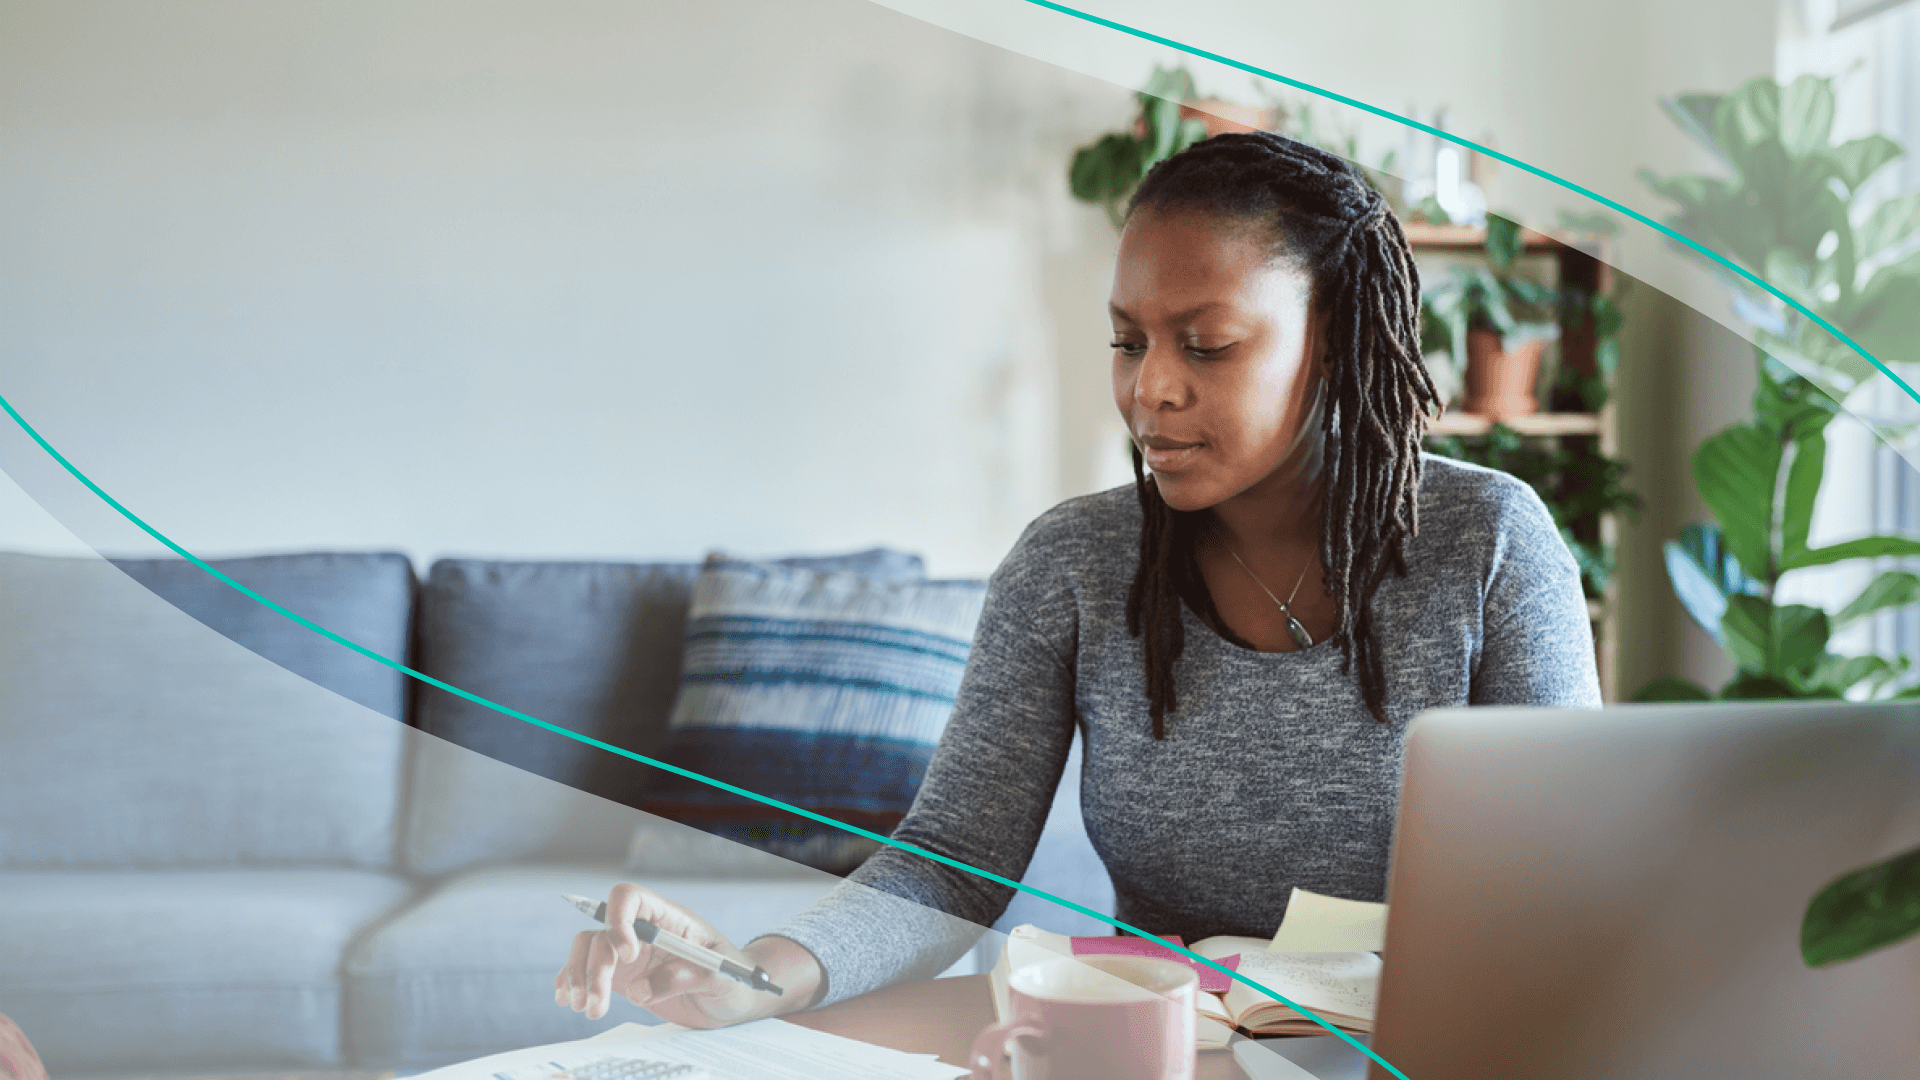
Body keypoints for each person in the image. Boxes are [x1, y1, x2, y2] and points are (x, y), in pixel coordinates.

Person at [554, 131, 1602, 1026]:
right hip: (1166, 1053)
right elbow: (951, 860)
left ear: (1333, 348)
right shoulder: (1075, 564)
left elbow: (1571, 885)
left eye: (1208, 344)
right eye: (1128, 340)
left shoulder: (1490, 545)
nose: (1150, 388)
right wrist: (753, 976)